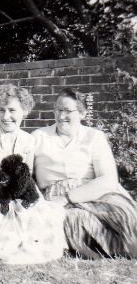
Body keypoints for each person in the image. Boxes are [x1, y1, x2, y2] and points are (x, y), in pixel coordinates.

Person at [0, 84, 67, 263]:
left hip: (15, 199)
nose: (6, 116)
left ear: (24, 111)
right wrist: (2, 190)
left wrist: (19, 195)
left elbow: (27, 179)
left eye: (12, 110)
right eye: (1, 110)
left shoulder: (29, 140)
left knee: (45, 216)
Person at [33, 87, 137, 259]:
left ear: (82, 114)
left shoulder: (94, 137)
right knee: (77, 220)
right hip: (54, 196)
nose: (60, 116)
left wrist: (68, 197)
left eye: (67, 111)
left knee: (126, 216)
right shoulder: (39, 137)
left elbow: (108, 178)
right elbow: (26, 173)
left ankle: (126, 246)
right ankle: (109, 248)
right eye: (57, 110)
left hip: (94, 191)